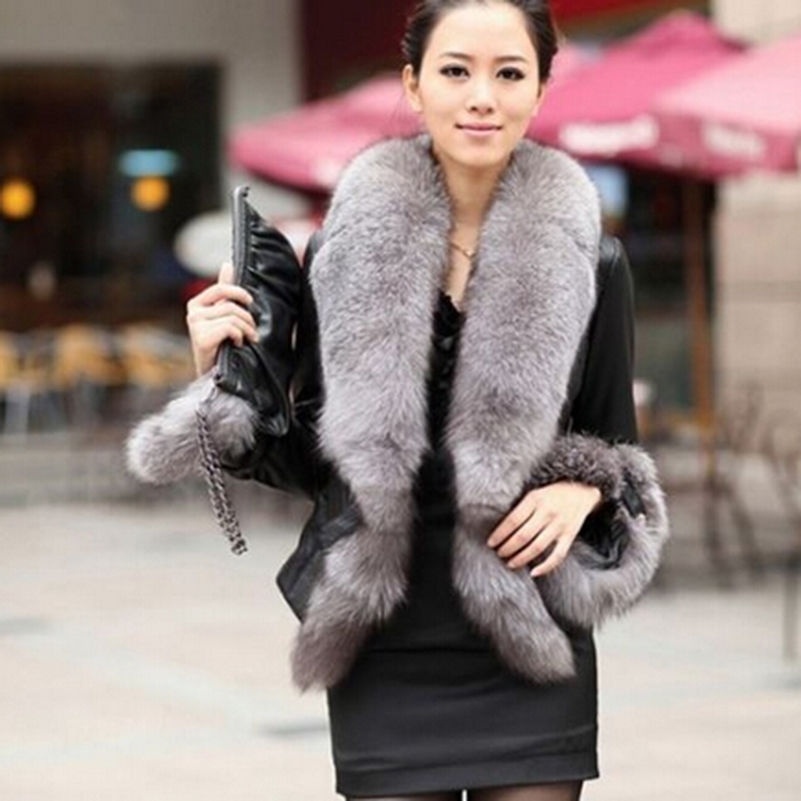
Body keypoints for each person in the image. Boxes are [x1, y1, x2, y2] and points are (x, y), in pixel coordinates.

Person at [131, 1, 669, 799]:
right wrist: (224, 376)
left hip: (529, 628)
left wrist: (581, 486)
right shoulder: (343, 254)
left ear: (539, 89)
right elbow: (311, 463)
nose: (481, 96)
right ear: (413, 86)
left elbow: (617, 446)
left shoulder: (591, 261)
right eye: (455, 71)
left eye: (508, 73)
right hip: (381, 630)